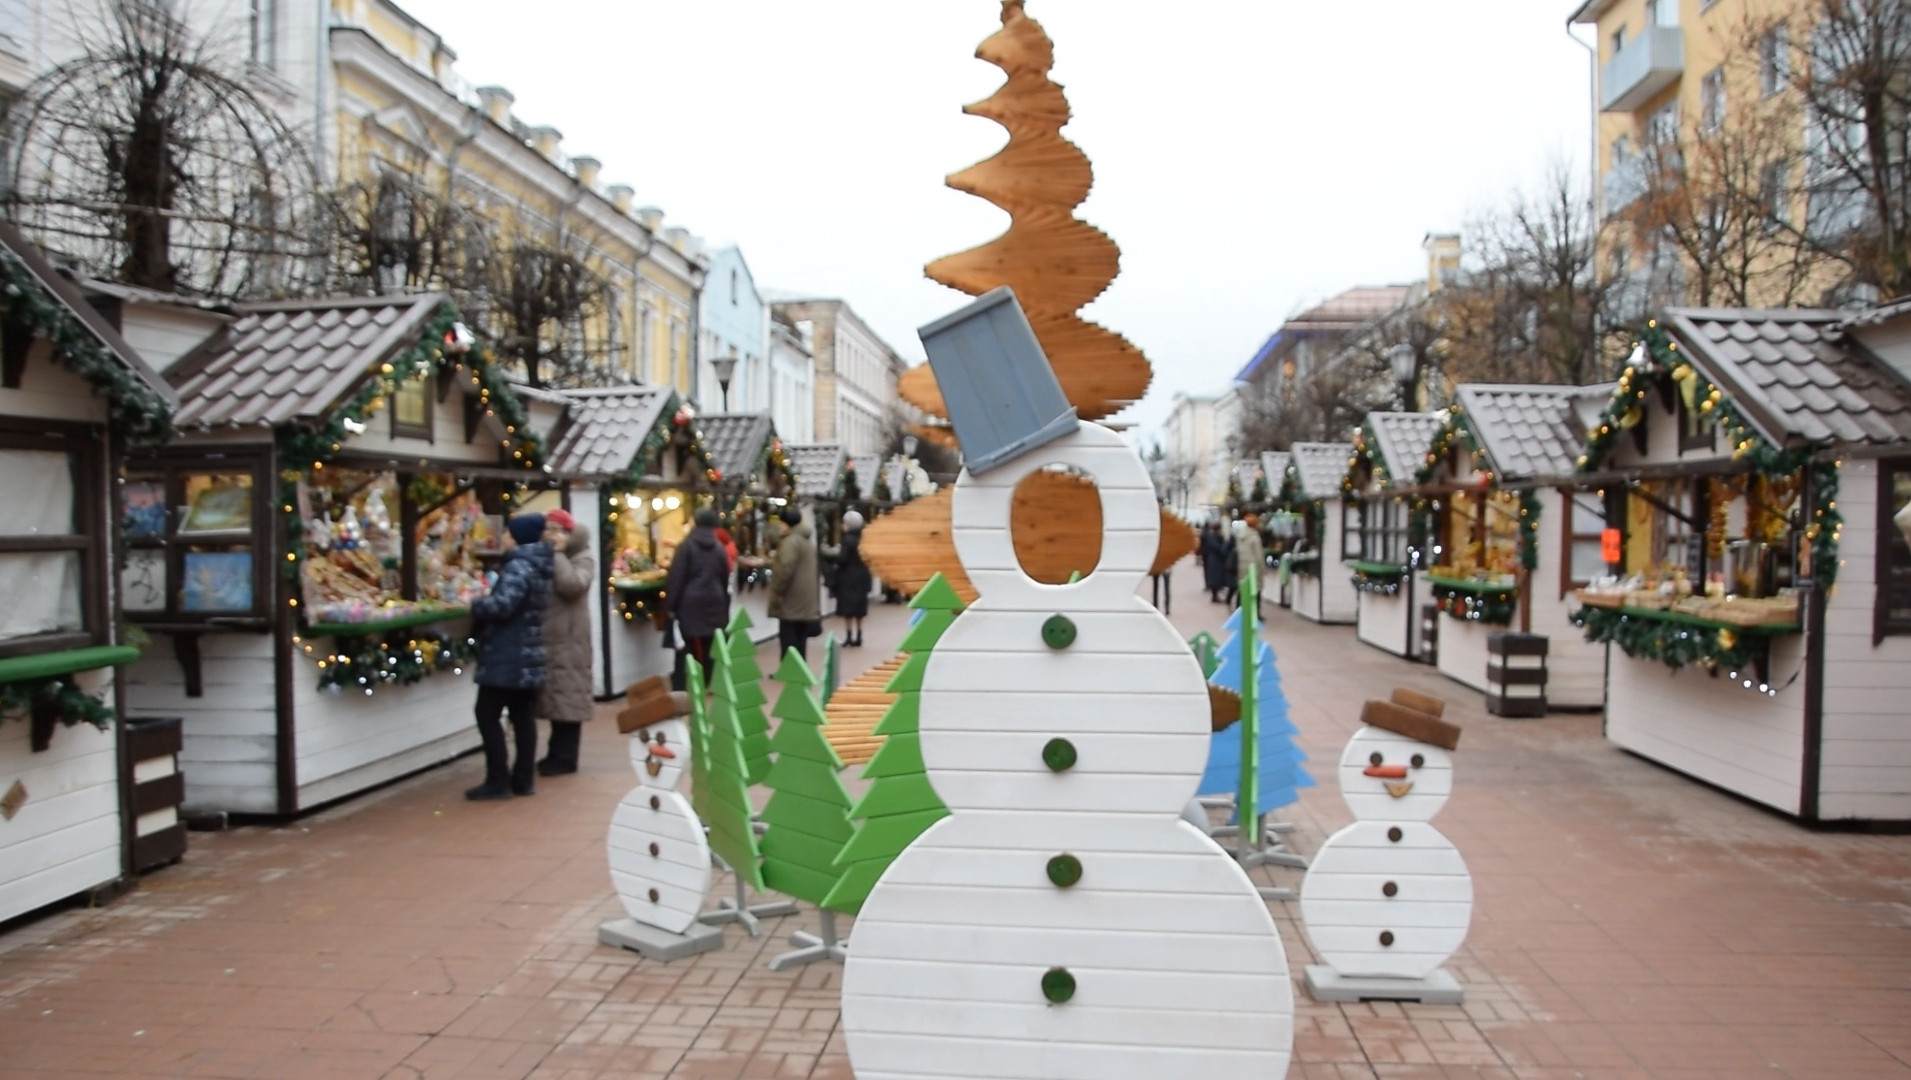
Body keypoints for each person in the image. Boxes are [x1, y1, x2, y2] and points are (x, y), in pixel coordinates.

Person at [466, 512, 554, 801]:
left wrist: (477, 604)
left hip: (508, 653)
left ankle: (498, 779)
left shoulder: (518, 566)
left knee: (487, 713)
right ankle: (523, 778)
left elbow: (504, 605)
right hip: (528, 652)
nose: (502, 538)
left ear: (516, 537)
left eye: (506, 533)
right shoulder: (539, 565)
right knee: (522, 715)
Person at [536, 509, 595, 777]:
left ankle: (565, 757)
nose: (552, 535)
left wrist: (558, 555)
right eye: (548, 530)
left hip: (571, 641)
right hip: (555, 638)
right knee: (557, 696)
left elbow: (573, 585)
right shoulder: (548, 556)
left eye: (557, 530)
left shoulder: (583, 557)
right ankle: (556, 753)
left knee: (568, 697)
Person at [663, 506, 731, 688]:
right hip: (714, 600)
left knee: (684, 646)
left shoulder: (687, 546)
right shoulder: (719, 548)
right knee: (710, 645)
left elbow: (677, 578)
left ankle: (681, 683)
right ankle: (709, 681)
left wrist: (670, 606)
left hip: (690, 603)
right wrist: (723, 602)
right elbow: (724, 577)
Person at [768, 504, 821, 662]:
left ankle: (789, 668)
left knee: (788, 635)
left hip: (791, 597)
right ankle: (800, 666)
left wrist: (778, 592)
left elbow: (785, 569)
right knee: (800, 636)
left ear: (786, 523)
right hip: (804, 598)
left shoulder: (790, 542)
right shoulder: (806, 540)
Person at [827, 509, 873, 647]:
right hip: (863, 576)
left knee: (848, 608)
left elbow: (842, 559)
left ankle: (848, 635)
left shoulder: (847, 540)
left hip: (848, 577)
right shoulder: (865, 539)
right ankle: (859, 634)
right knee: (859, 608)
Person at [1230, 516, 1266, 613]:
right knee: (1256, 590)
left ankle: (1239, 611)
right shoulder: (1255, 537)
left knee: (1242, 590)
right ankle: (1256, 613)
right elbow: (1259, 556)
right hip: (1253, 568)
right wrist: (1262, 569)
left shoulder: (1240, 536)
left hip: (1242, 567)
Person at [1200, 521, 1233, 604]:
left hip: (1214, 559)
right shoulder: (1213, 537)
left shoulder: (1212, 536)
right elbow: (1218, 548)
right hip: (1215, 560)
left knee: (1215, 577)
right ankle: (1214, 596)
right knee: (1215, 578)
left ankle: (1215, 595)